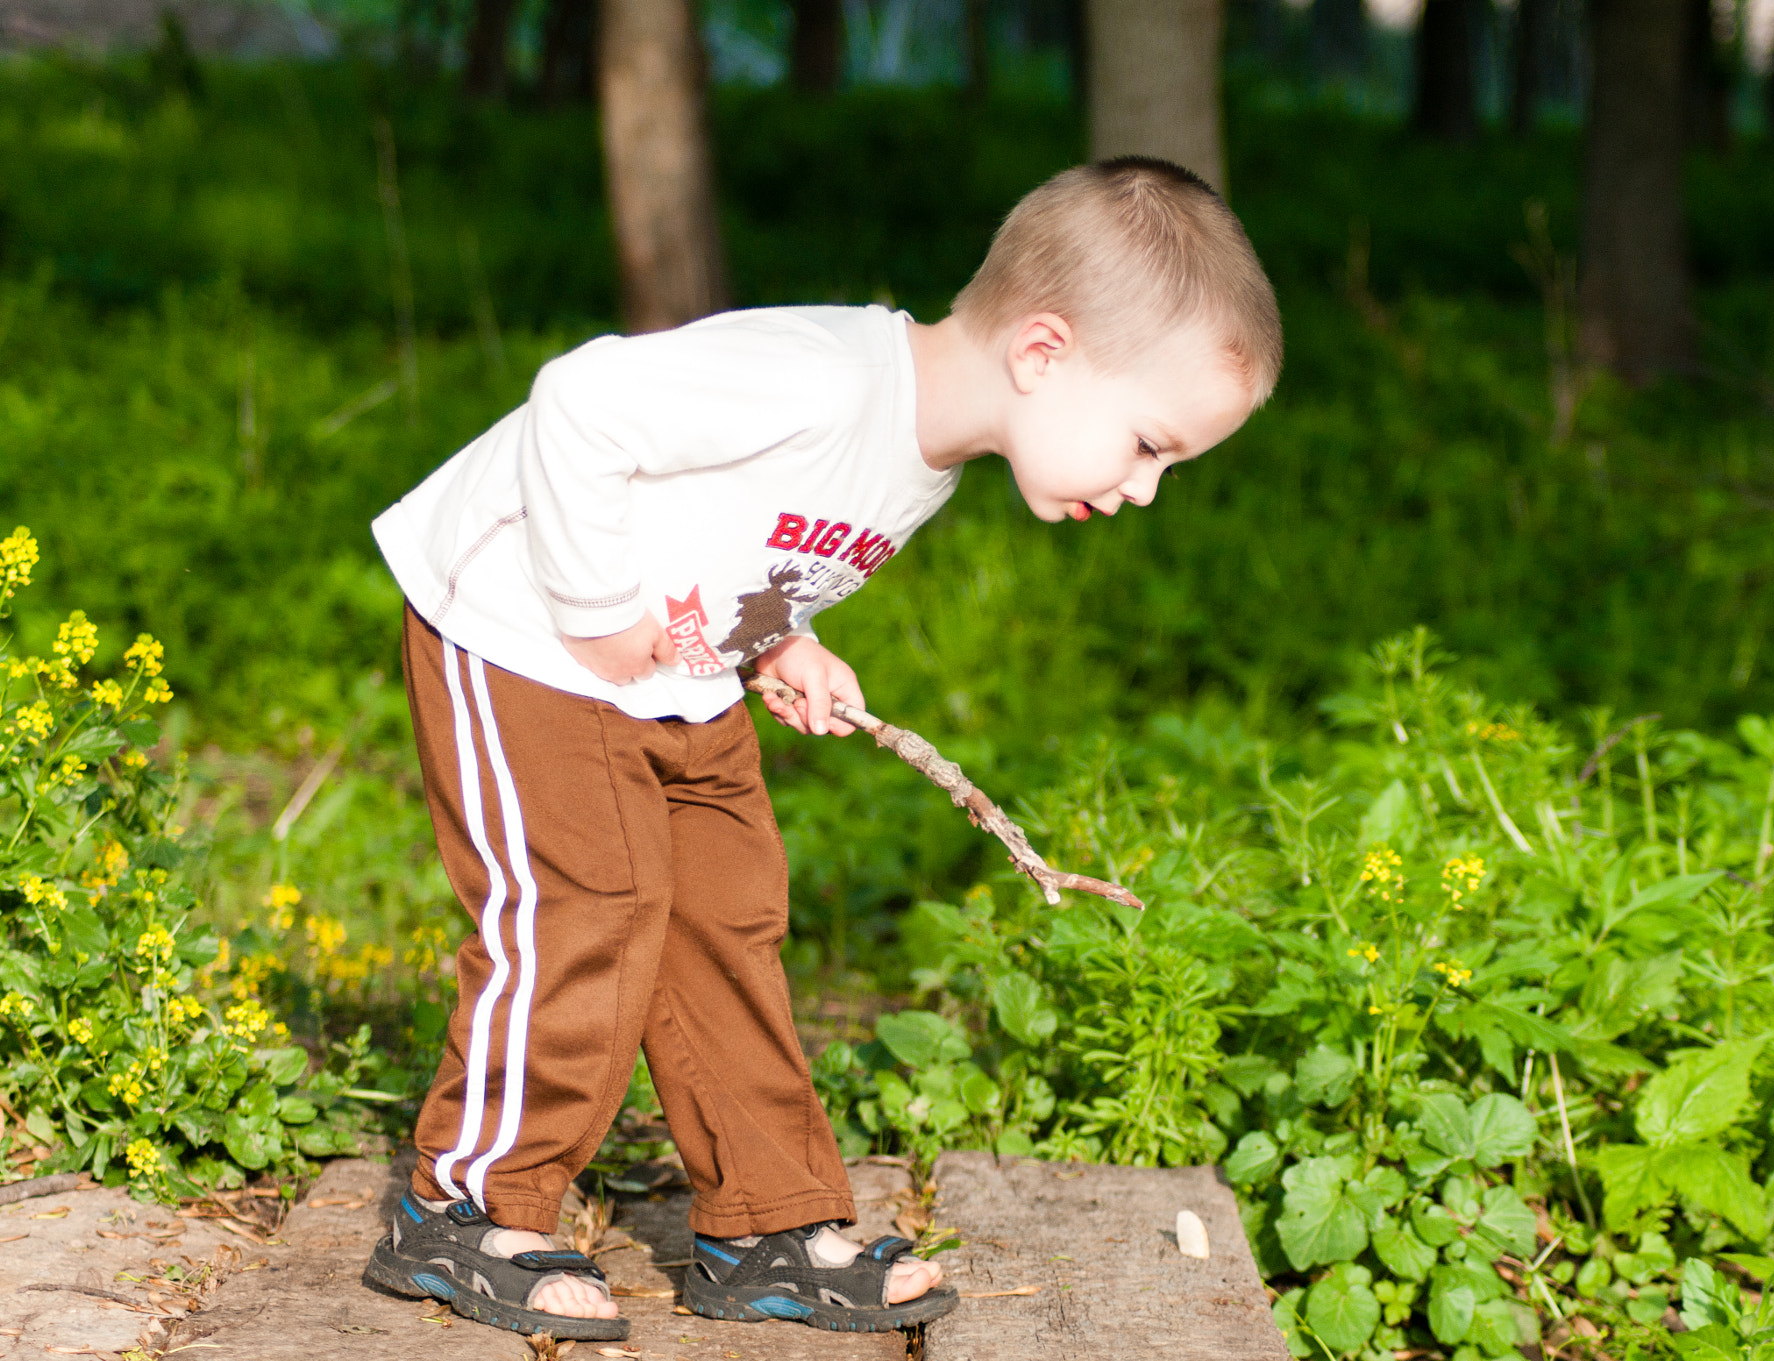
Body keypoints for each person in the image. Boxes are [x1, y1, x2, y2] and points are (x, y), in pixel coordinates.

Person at [359, 156, 1282, 1342]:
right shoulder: (822, 375)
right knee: (589, 904)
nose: (1145, 488)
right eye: (1147, 444)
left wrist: (779, 637)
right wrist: (593, 608)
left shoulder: (931, 454)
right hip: (521, 629)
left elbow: (731, 521)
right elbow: (580, 404)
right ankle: (468, 1203)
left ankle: (764, 1221)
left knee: (727, 909)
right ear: (1042, 353)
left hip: (670, 669)